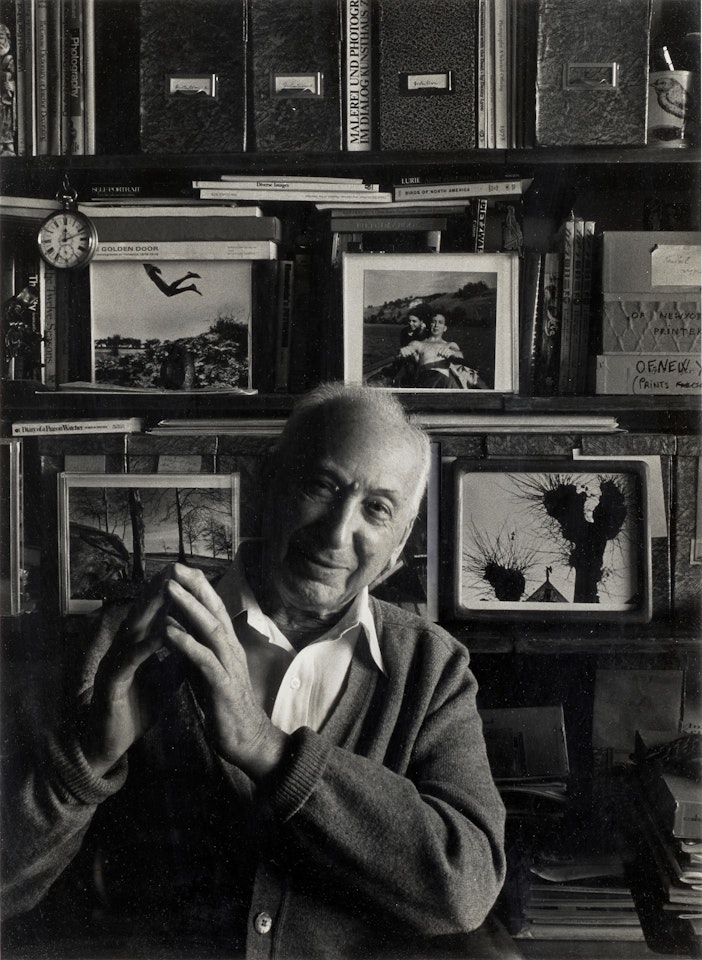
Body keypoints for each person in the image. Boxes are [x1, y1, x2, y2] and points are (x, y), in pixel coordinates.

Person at [1, 384, 505, 959]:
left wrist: (266, 749)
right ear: (266, 485)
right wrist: (86, 762)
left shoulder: (433, 669)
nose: (339, 532)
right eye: (321, 485)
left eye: (377, 508)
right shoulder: (120, 639)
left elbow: (467, 888)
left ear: (396, 551)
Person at [399, 313, 485, 389]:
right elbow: (409, 348)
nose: (436, 325)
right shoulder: (417, 344)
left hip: (445, 383)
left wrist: (452, 353)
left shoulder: (450, 345)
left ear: (445, 328)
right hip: (425, 381)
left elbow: (459, 355)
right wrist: (405, 350)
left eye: (440, 322)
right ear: (430, 325)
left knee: (451, 378)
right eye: (434, 322)